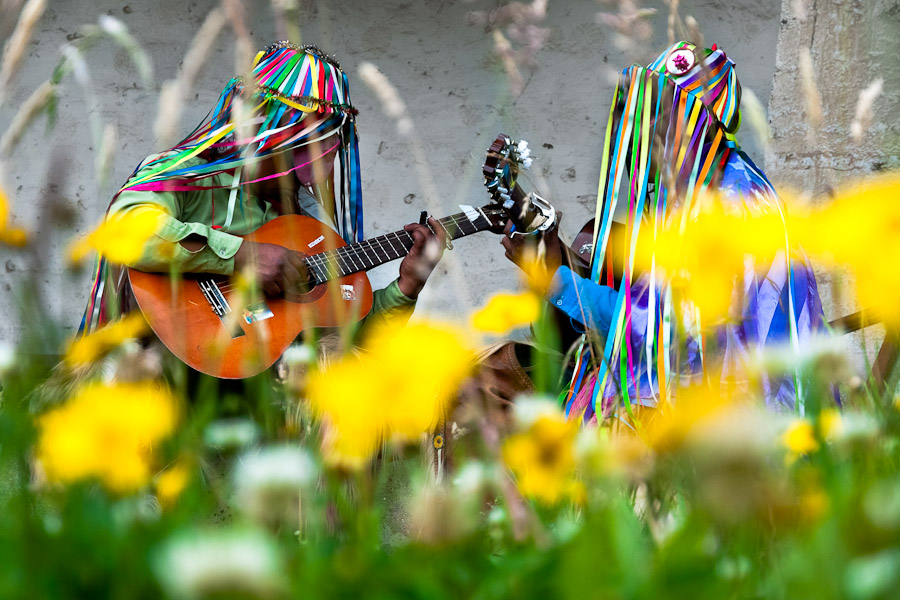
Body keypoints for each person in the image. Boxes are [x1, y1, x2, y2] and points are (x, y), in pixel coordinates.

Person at [500, 41, 827, 424]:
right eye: (645, 112)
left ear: (701, 125)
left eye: (661, 115)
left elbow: (648, 333)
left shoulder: (724, 209)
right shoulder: (725, 184)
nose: (643, 130)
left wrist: (556, 277)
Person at [78, 41, 444, 366]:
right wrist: (242, 257)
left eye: (324, 143)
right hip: (154, 385)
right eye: (300, 139)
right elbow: (128, 231)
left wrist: (406, 287)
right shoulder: (187, 173)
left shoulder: (308, 221)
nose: (314, 160)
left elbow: (347, 346)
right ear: (262, 125)